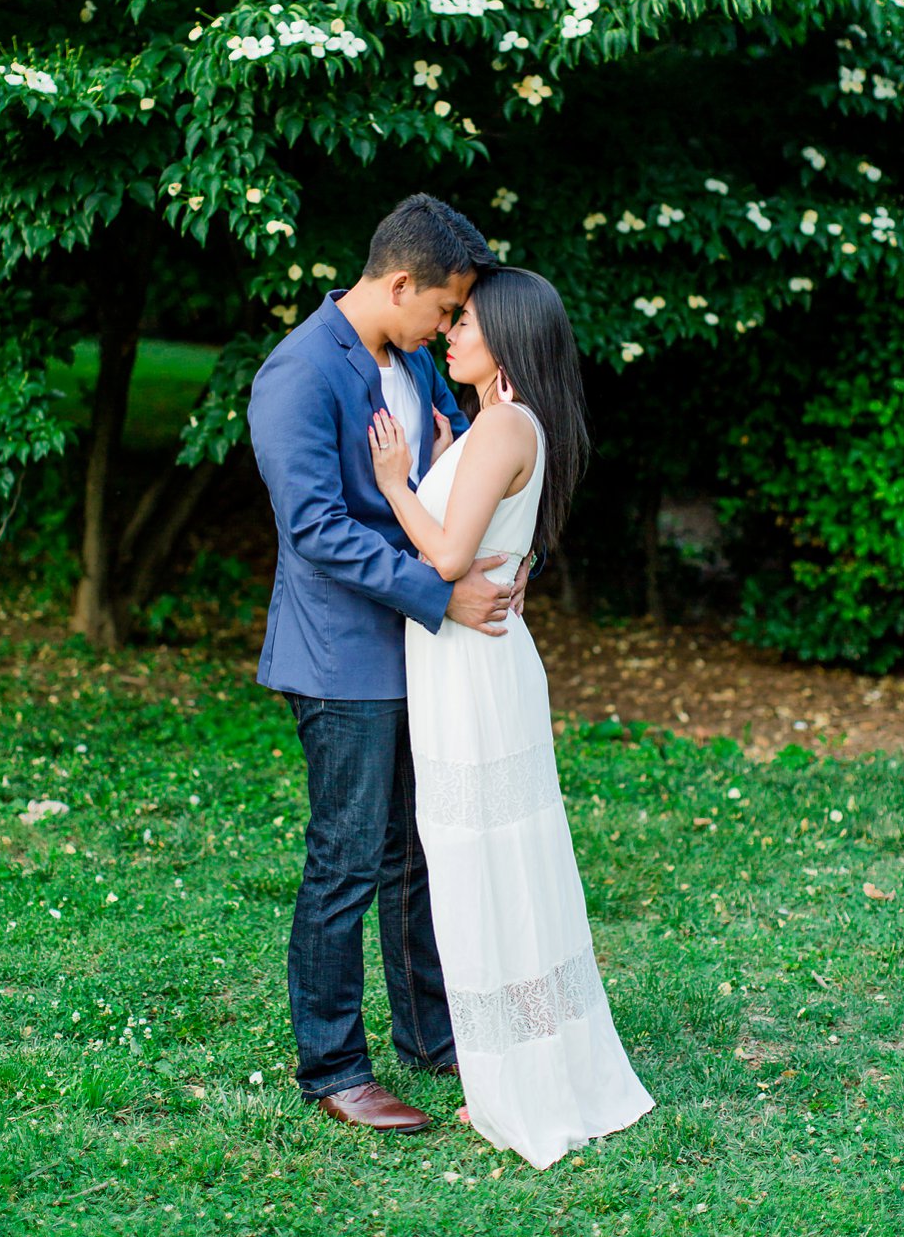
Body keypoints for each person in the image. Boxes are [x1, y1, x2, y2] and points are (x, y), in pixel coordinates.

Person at [248, 193, 531, 1134]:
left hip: (421, 649)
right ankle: (333, 1065)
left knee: (418, 848)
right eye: (446, 308)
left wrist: (496, 546)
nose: (450, 326)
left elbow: (446, 470)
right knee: (347, 857)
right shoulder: (298, 373)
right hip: (341, 657)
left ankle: (431, 1035)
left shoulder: (410, 358)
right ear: (400, 282)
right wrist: (441, 591)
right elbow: (316, 529)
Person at [366, 263, 655, 1168]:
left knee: (477, 860)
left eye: (467, 324)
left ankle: (515, 1075)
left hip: (472, 673)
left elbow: (450, 556)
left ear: (508, 339)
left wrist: (395, 480)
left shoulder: (503, 425)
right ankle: (530, 1057)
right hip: (482, 666)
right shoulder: (505, 423)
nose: (451, 332)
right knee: (500, 858)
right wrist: (447, 455)